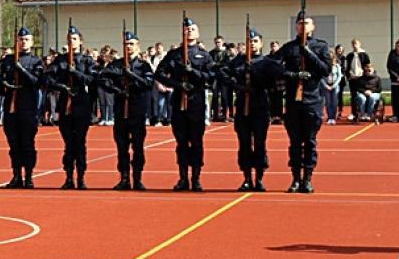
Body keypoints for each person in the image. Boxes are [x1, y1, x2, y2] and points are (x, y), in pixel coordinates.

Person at [274, 11, 334, 193]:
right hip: (293, 101)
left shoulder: (321, 47)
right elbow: (273, 67)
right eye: (300, 23)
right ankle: (295, 178)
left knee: (310, 141)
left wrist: (308, 54)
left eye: (306, 23)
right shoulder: (289, 47)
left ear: (313, 26)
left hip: (312, 100)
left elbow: (325, 70)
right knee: (294, 142)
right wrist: (293, 75)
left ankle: (307, 178)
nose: (303, 26)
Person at [156, 17, 213, 191]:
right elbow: (159, 73)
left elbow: (211, 76)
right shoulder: (174, 54)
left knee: (196, 141)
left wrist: (193, 72)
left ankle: (196, 178)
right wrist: (177, 84)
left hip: (195, 102)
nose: (189, 31)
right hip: (179, 102)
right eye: (186, 29)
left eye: (192, 29)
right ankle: (183, 178)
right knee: (181, 142)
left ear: (198, 32)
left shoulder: (204, 55)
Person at [225, 28, 282, 191]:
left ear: (261, 43)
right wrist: (237, 86)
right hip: (243, 106)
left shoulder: (267, 62)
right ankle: (247, 177)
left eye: (255, 41)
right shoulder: (237, 61)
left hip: (260, 106)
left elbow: (277, 79)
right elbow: (221, 74)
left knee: (259, 143)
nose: (252, 44)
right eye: (250, 41)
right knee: (244, 143)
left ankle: (259, 178)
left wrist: (257, 74)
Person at [100, 29, 153, 191]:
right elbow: (102, 79)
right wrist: (117, 90)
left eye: (131, 44)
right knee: (122, 147)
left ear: (138, 46)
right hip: (121, 111)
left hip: (137, 111)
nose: (128, 47)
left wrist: (133, 76)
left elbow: (148, 83)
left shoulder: (143, 65)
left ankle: (137, 178)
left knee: (138, 147)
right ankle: (124, 178)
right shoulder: (117, 64)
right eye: (126, 44)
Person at [46, 26, 96, 189]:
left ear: (80, 41)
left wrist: (76, 73)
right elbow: (48, 79)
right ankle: (68, 177)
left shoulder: (87, 60)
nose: (71, 42)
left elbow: (92, 80)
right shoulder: (60, 60)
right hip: (65, 106)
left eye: (74, 39)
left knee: (80, 144)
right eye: (69, 39)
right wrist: (62, 86)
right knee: (68, 145)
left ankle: (81, 178)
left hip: (81, 105)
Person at [0, 27, 45, 188]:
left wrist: (22, 71)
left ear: (31, 42)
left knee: (28, 144)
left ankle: (29, 176)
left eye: (26, 40)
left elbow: (37, 82)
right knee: (14, 144)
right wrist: (2, 83)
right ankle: (16, 175)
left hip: (28, 108)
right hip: (11, 107)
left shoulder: (36, 61)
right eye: (20, 40)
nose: (23, 42)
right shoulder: (7, 60)